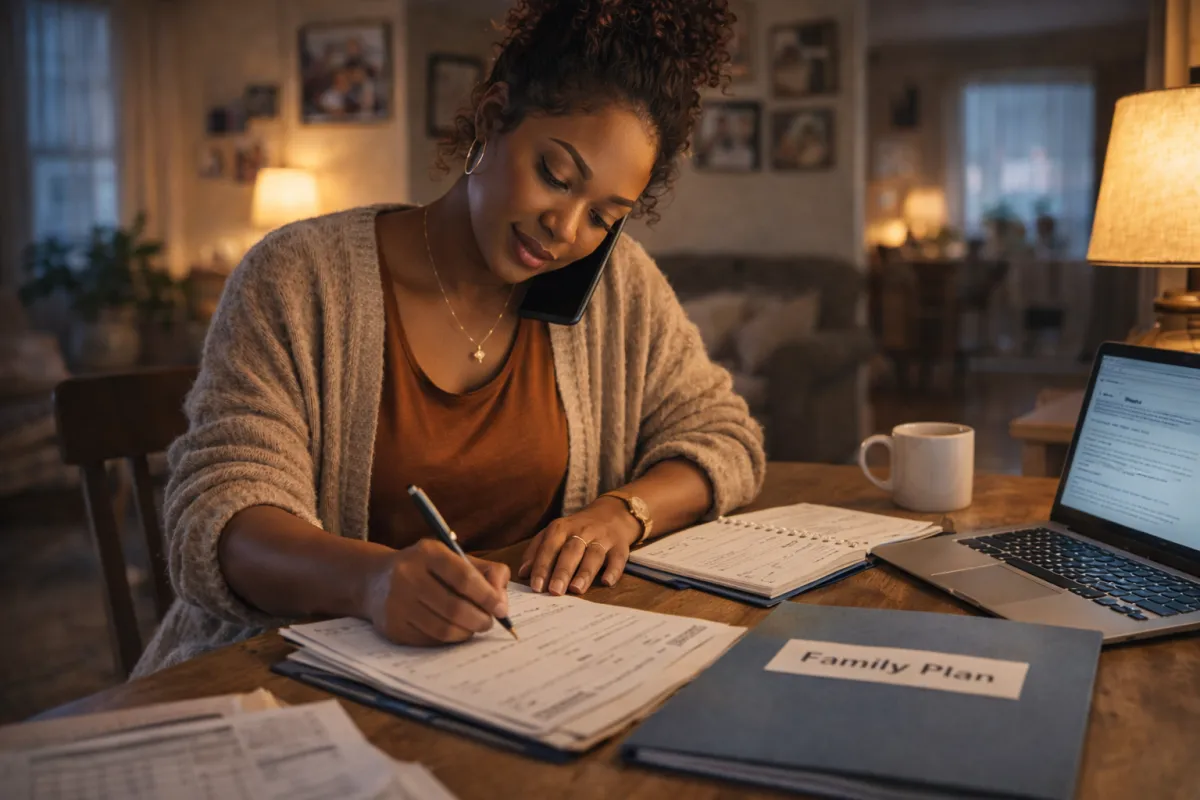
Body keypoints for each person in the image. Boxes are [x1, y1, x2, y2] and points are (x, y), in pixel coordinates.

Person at [133, 0, 764, 676]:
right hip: (284, 678)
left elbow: (725, 436)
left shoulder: (614, 287)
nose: (566, 230)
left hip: (515, 674)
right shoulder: (298, 278)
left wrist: (623, 512)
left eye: (604, 216)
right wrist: (371, 582)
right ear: (492, 119)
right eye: (555, 175)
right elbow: (218, 517)